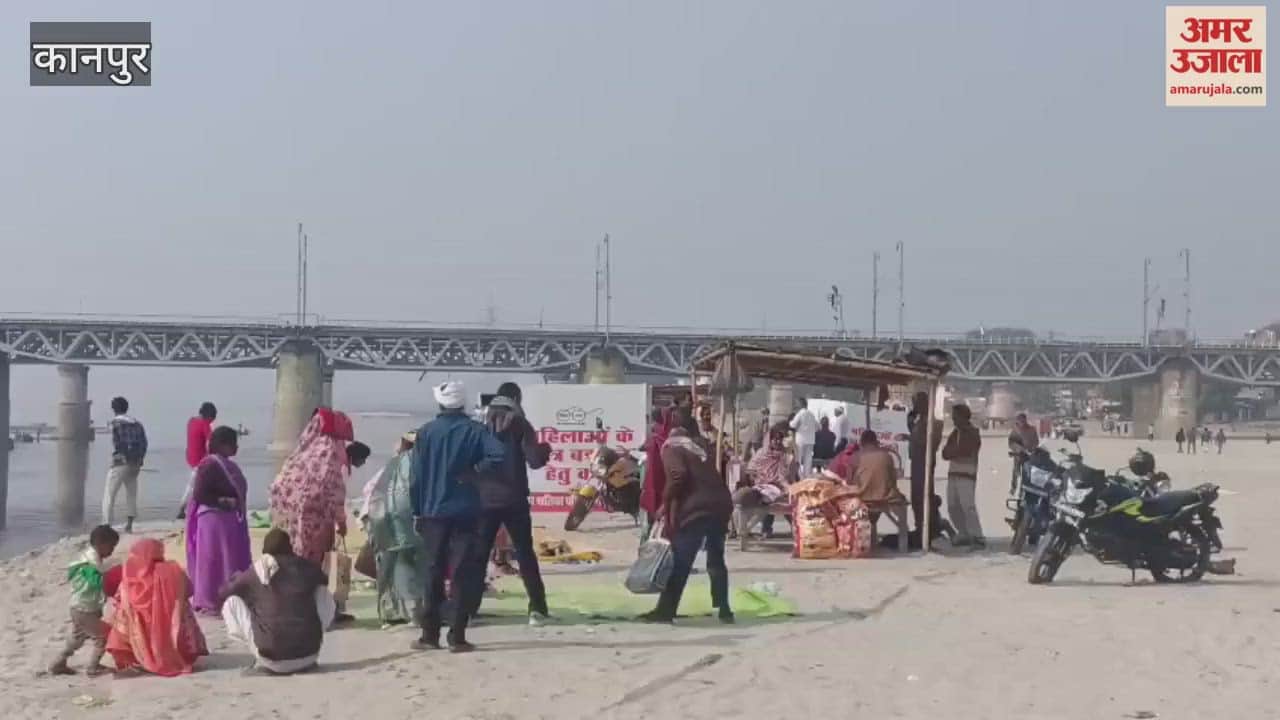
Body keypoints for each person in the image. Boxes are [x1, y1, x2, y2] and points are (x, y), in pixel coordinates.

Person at [410, 381, 505, 653]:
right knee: (463, 571)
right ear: (462, 404)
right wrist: (475, 471)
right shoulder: (476, 430)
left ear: (440, 403)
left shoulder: (426, 433)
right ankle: (457, 636)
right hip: (467, 511)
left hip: (433, 511)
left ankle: (429, 635)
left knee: (433, 571)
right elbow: (498, 454)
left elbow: (416, 477)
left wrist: (417, 509)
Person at [470, 382, 553, 626]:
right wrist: (545, 449)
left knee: (479, 555)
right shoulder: (520, 423)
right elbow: (535, 461)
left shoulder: (479, 424)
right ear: (516, 398)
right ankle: (537, 610)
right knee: (525, 554)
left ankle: (469, 609)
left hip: (483, 498)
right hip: (514, 498)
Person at [269, 409, 356, 623]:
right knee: (319, 570)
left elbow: (277, 487)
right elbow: (334, 491)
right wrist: (341, 521)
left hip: (294, 526)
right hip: (319, 526)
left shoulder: (301, 453)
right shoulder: (331, 452)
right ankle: (321, 612)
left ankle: (297, 609)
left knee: (296, 566)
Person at [640, 426, 734, 624]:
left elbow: (677, 476)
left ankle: (665, 611)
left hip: (697, 510)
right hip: (720, 506)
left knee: (680, 562)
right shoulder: (698, 452)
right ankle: (723, 609)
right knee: (716, 560)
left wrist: (665, 503)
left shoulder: (671, 449)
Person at [220, 528, 335, 676]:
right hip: (308, 655)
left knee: (232, 602)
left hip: (271, 660)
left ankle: (258, 653)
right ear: (289, 547)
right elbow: (324, 580)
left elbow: (224, 592)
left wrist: (239, 580)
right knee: (321, 591)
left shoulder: (258, 570)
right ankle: (306, 641)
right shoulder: (305, 567)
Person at [105, 539, 208, 677]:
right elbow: (189, 590)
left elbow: (119, 598)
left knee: (123, 612)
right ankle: (180, 654)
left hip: (140, 631)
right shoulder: (174, 570)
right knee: (183, 607)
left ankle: (138, 658)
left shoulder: (131, 575)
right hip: (173, 627)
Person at [185, 426, 252, 615]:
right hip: (213, 521)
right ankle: (211, 600)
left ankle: (228, 598)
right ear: (223, 445)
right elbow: (200, 493)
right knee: (213, 561)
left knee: (227, 559)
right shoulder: (210, 464)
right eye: (233, 444)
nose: (236, 448)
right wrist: (223, 502)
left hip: (226, 521)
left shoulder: (223, 464)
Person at [362, 432, 424, 626]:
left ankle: (388, 613)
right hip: (407, 522)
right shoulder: (419, 463)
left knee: (388, 567)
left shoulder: (392, 464)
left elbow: (369, 490)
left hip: (379, 519)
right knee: (412, 565)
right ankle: (414, 612)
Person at [48, 525, 120, 676]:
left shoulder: (88, 558)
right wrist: (115, 576)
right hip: (85, 610)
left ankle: (58, 663)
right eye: (111, 546)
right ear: (101, 544)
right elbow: (97, 582)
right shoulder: (91, 563)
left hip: (79, 607)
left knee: (77, 638)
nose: (112, 550)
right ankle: (94, 667)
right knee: (103, 635)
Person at [736, 423, 795, 538]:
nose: (777, 442)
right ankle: (761, 529)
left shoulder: (786, 456)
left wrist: (786, 483)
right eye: (774, 439)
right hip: (761, 487)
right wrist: (759, 477)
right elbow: (751, 469)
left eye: (779, 439)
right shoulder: (761, 454)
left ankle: (792, 528)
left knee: (784, 498)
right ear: (769, 440)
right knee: (762, 498)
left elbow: (788, 475)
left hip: (780, 487)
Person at [103, 397, 148, 533]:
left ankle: (106, 525)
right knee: (131, 493)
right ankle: (129, 525)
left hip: (120, 462)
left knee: (109, 494)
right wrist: (140, 458)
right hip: (135, 463)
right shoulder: (137, 424)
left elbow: (118, 444)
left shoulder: (116, 423)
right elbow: (144, 443)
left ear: (114, 409)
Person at [942, 403, 984, 548]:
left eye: (956, 417)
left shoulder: (972, 433)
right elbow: (945, 453)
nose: (953, 419)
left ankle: (978, 536)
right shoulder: (955, 433)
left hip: (967, 474)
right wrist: (954, 451)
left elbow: (964, 451)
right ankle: (964, 533)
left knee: (968, 506)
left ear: (963, 417)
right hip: (953, 473)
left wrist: (954, 451)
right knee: (952, 506)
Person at [907, 391, 944, 536]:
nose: (915, 406)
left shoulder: (934, 423)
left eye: (917, 403)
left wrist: (911, 439)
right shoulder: (918, 421)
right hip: (916, 463)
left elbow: (929, 444)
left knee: (924, 496)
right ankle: (919, 526)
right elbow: (912, 428)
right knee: (916, 497)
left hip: (925, 463)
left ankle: (930, 527)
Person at [178, 402, 217, 520]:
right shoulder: (204, 424)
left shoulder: (191, 421)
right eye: (212, 419)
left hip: (190, 457)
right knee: (193, 485)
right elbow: (211, 442)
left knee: (197, 483)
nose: (212, 422)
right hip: (200, 460)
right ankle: (182, 509)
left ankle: (194, 507)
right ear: (209, 416)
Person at [845, 430, 905, 504]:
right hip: (884, 498)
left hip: (861, 498)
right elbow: (893, 481)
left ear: (861, 442)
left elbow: (849, 482)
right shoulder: (887, 456)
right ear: (875, 441)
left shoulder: (855, 457)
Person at [1007, 412, 1041, 493]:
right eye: (1020, 420)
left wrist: (1032, 448)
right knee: (1015, 472)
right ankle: (1013, 487)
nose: (1021, 422)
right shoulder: (1015, 430)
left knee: (1026, 474)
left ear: (1025, 420)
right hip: (1018, 455)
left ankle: (1023, 490)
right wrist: (1018, 448)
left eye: (1023, 420)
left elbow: (1036, 441)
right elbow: (1011, 442)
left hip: (1028, 455)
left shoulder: (1032, 429)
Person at [789, 397, 818, 474]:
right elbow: (818, 427)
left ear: (801, 404)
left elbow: (793, 425)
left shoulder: (800, 413)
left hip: (801, 439)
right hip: (811, 440)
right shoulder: (811, 414)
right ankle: (806, 476)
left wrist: (789, 422)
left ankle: (798, 476)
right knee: (808, 460)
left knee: (798, 458)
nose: (796, 405)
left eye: (797, 403)